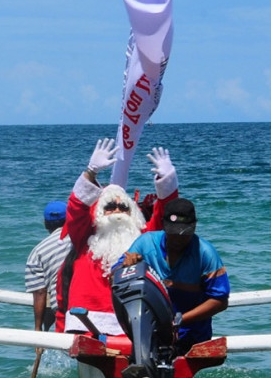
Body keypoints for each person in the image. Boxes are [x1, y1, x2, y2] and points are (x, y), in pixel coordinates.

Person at [55, 138, 179, 335]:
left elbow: (165, 213)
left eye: (123, 207)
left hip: (135, 323)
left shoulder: (144, 238)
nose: (117, 211)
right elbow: (76, 208)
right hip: (85, 323)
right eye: (110, 207)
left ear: (133, 213)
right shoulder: (85, 237)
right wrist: (91, 172)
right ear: (98, 213)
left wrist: (167, 181)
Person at [116, 197, 230, 354]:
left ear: (194, 226)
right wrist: (125, 267)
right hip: (150, 332)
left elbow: (220, 301)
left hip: (192, 335)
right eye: (173, 233)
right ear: (163, 224)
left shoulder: (206, 253)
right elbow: (114, 278)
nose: (178, 239)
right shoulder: (145, 243)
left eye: (185, 233)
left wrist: (179, 321)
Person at [24, 200, 72, 331]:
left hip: (63, 310)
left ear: (45, 224)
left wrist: (38, 328)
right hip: (91, 304)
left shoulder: (37, 252)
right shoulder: (82, 238)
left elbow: (40, 293)